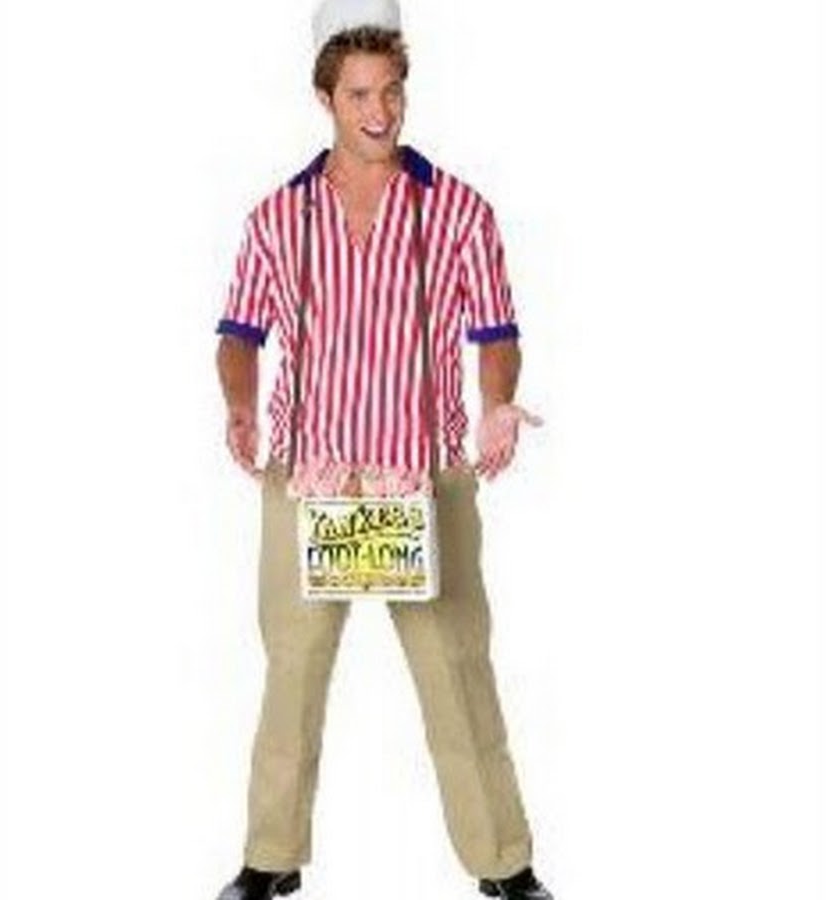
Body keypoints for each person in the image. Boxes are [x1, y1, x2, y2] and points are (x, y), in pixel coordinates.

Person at [213, 1, 553, 897]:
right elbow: (239, 334)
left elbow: (497, 332)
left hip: (423, 473)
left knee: (457, 670)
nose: (380, 111)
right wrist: (240, 408)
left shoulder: (460, 210)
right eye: (360, 94)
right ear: (325, 98)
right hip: (310, 473)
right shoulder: (277, 217)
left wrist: (496, 404)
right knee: (293, 672)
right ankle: (269, 858)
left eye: (392, 91)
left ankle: (505, 863)